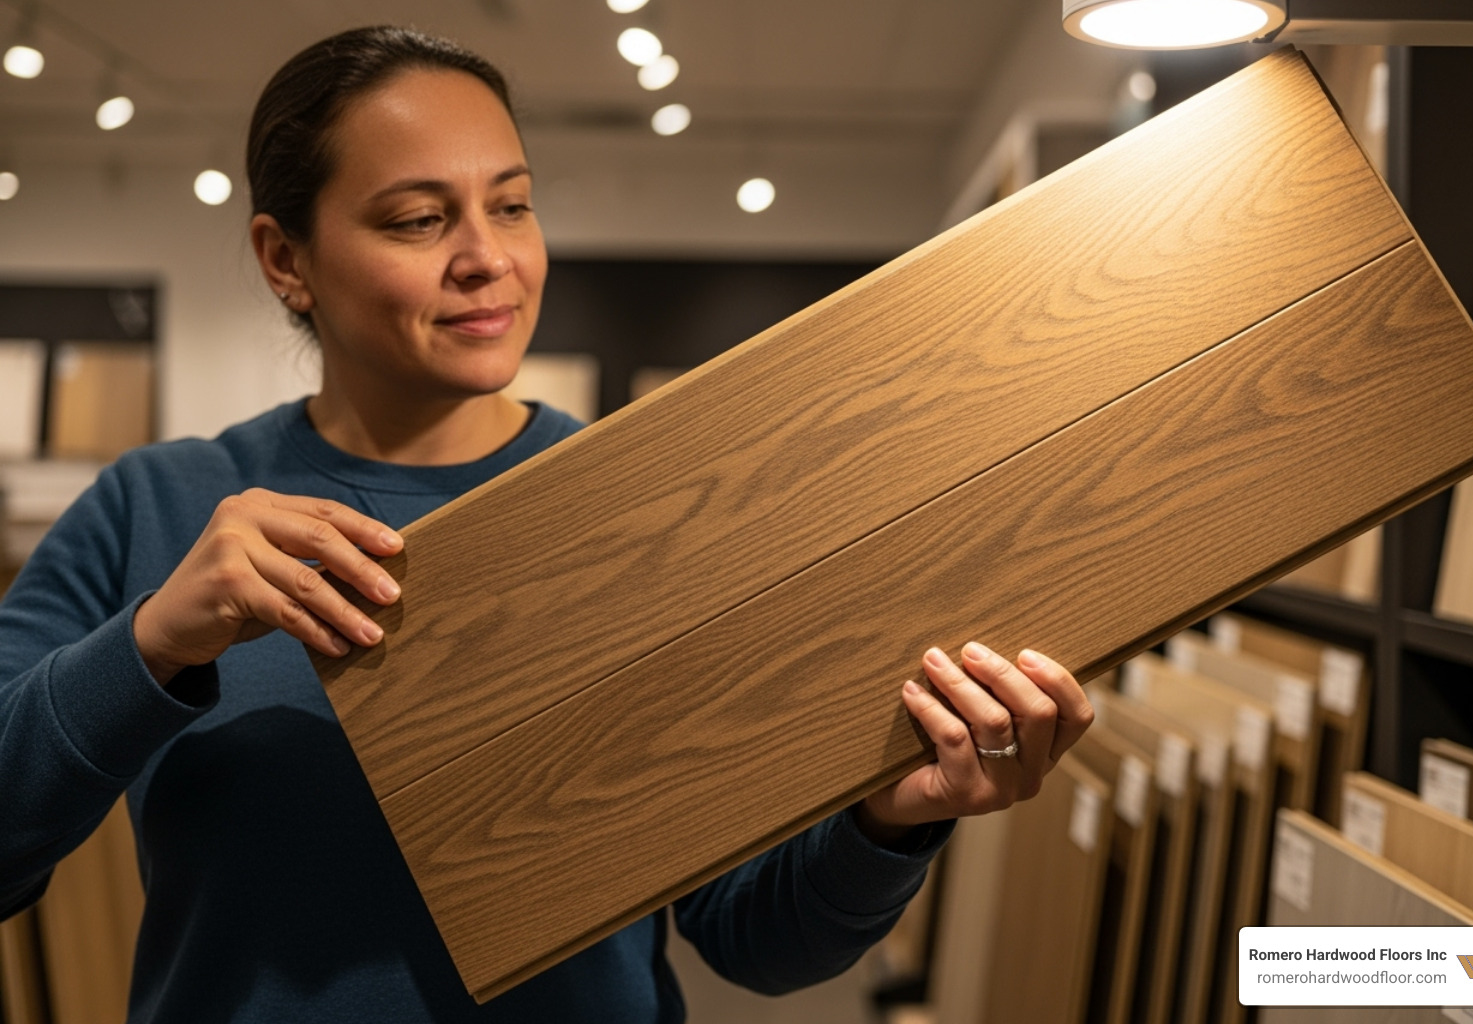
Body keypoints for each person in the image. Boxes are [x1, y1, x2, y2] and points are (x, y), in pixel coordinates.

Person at [0, 25, 1093, 1023]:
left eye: (512, 204)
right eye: (420, 219)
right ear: (287, 259)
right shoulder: (160, 509)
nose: (488, 256)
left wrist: (890, 821)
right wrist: (154, 644)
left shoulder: (649, 504)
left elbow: (758, 939)